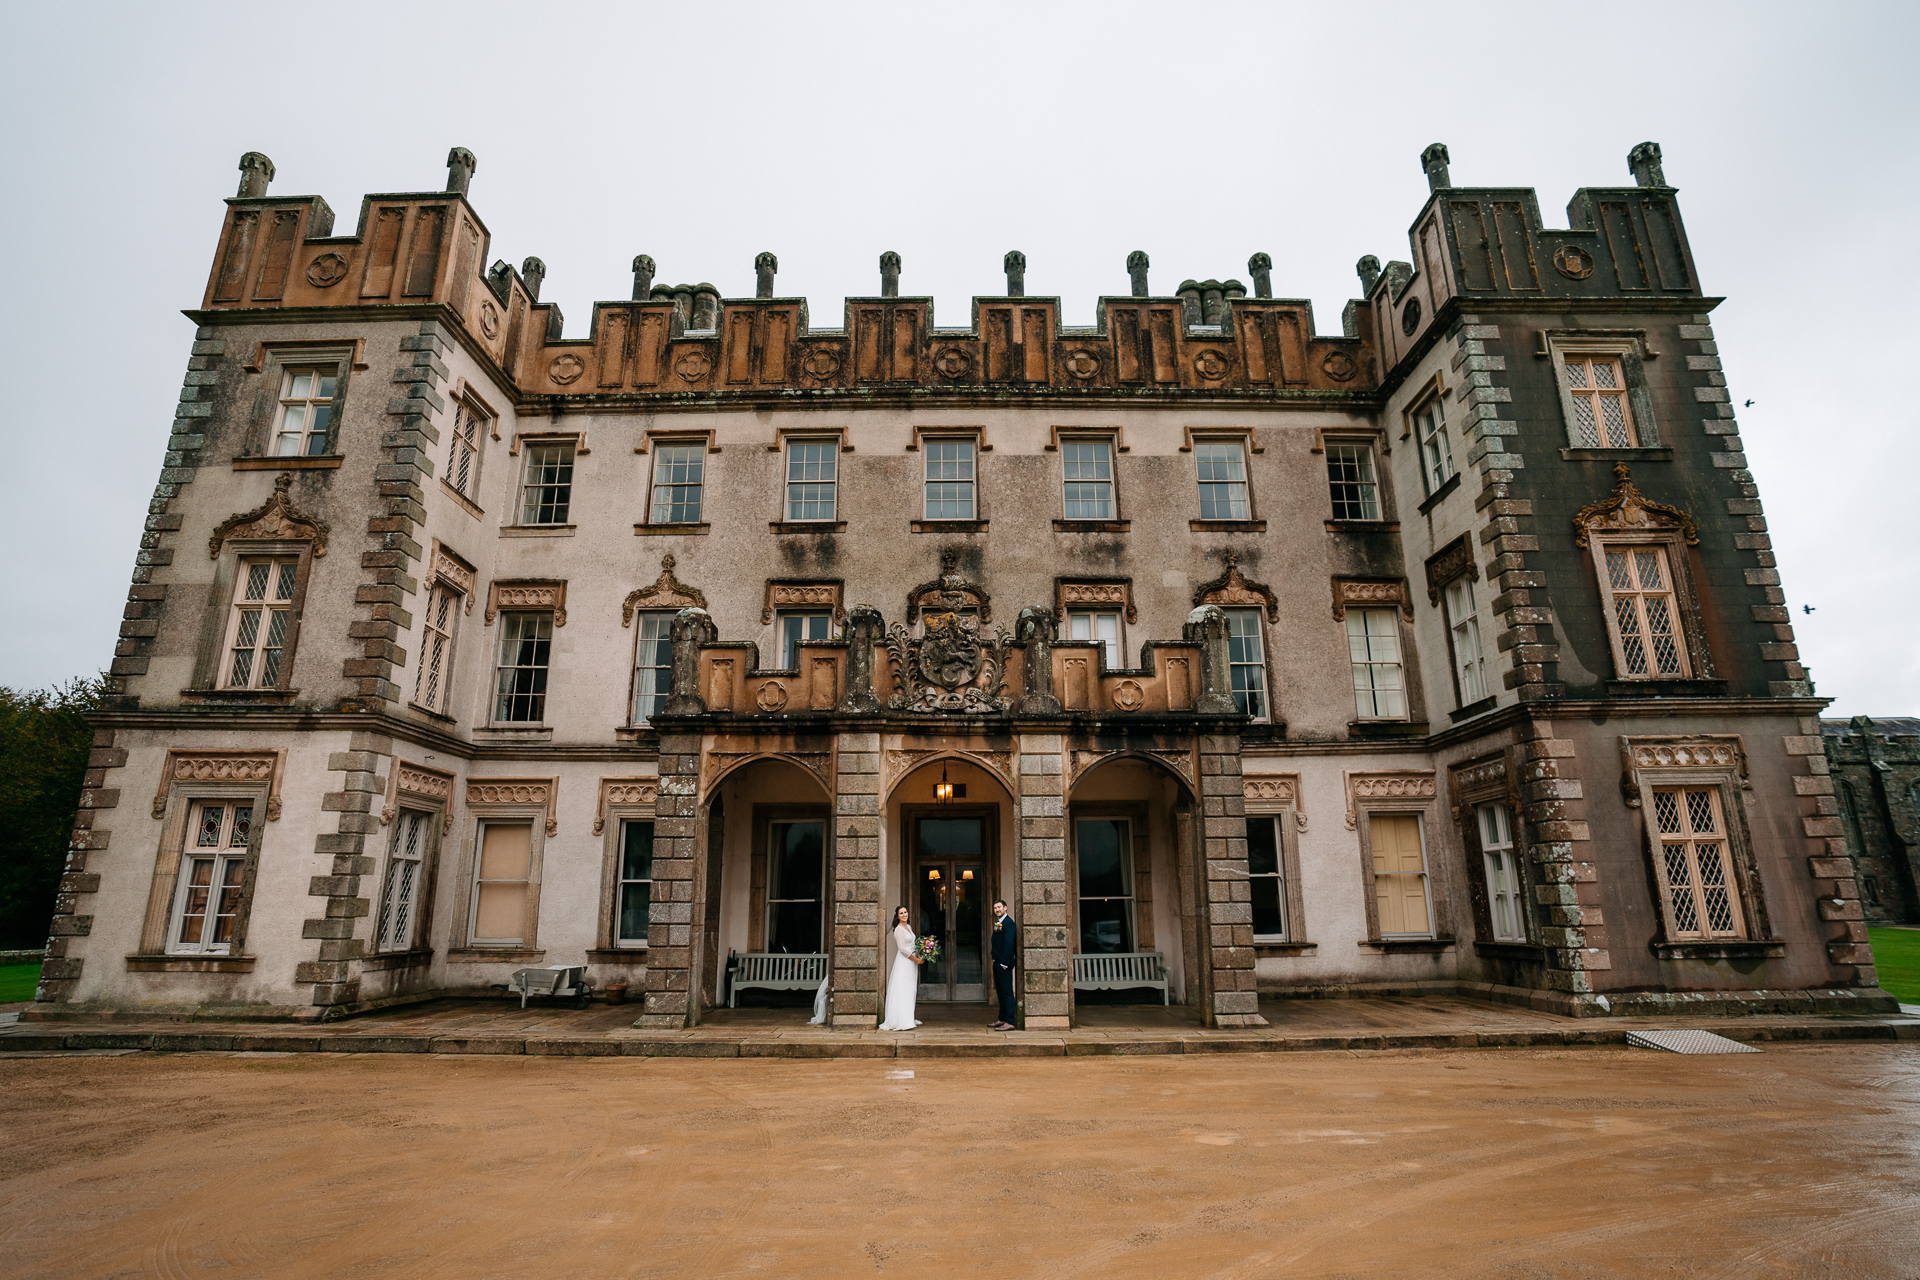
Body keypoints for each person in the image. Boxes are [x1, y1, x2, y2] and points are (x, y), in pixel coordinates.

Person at [878, 905, 923, 1031]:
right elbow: (902, 949)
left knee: (911, 988)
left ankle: (909, 1016)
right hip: (905, 962)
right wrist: (915, 959)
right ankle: (902, 1020)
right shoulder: (898, 929)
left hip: (912, 961)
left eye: (905, 912)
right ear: (897, 916)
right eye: (901, 913)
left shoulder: (908, 927)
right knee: (904, 988)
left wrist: (919, 954)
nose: (904, 915)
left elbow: (913, 943)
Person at [989, 898, 1017, 1030]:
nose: (997, 910)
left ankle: (1010, 1021)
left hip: (1004, 964)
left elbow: (1009, 943)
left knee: (1007, 992)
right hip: (997, 961)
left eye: (999, 907)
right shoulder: (999, 923)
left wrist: (1004, 963)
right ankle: (1002, 1018)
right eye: (995, 908)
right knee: (1000, 991)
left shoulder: (1009, 923)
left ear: (1005, 908)